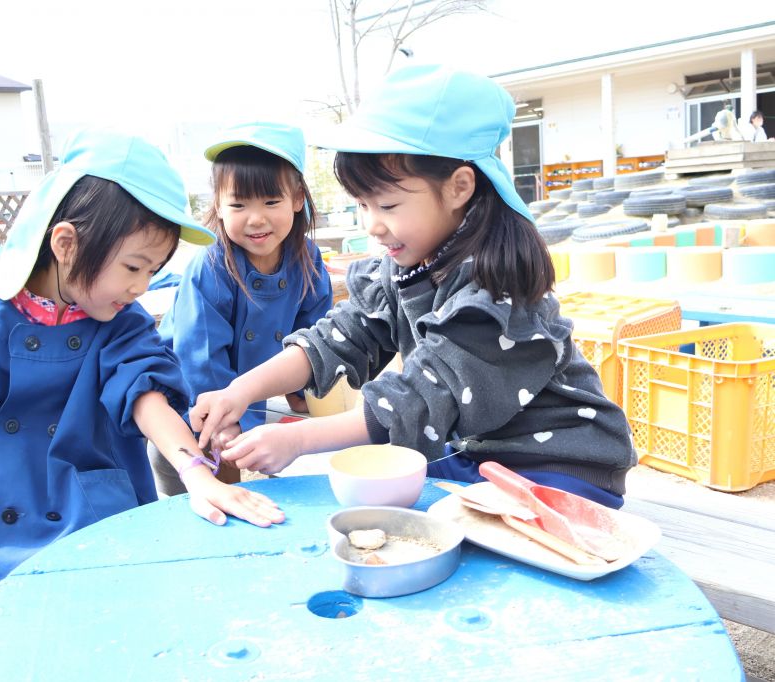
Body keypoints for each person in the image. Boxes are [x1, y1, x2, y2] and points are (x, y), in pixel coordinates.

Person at [0, 129, 284, 680]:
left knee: (92, 638)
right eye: (132, 267)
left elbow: (146, 395)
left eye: (153, 270)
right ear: (66, 243)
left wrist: (195, 472)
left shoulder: (121, 325)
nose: (140, 287)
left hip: (79, 501)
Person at [191, 66, 637, 509]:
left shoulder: (497, 288)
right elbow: (335, 337)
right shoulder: (406, 262)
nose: (373, 225)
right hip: (480, 455)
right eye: (362, 205)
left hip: (559, 467)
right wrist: (241, 391)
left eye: (387, 204)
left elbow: (419, 398)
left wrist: (299, 439)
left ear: (460, 186)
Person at [150, 122, 333, 495]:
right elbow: (198, 354)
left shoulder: (308, 260)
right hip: (190, 406)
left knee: (234, 484)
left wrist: (305, 394)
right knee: (198, 497)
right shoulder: (212, 266)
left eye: (271, 202)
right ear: (217, 204)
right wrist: (222, 420)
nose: (256, 218)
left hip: (245, 399)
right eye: (238, 204)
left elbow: (315, 333)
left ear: (297, 199)